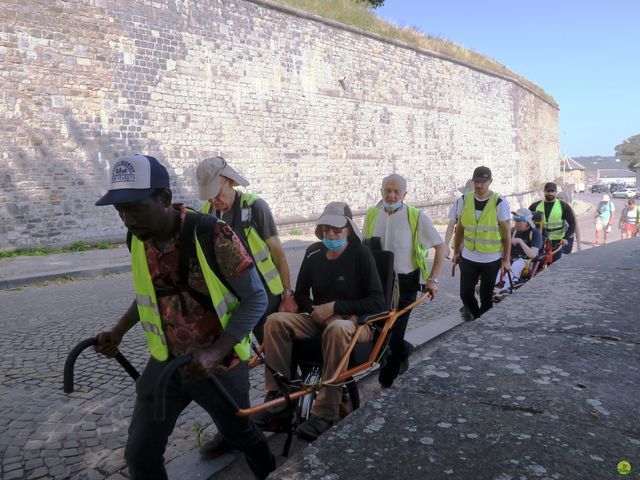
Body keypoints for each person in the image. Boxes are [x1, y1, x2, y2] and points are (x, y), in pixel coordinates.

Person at [93, 154, 275, 480]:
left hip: (219, 365)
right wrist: (118, 330)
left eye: (134, 208)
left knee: (241, 435)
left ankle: (276, 473)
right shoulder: (138, 238)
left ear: (163, 198)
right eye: (120, 211)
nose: (127, 219)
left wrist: (215, 352)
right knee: (140, 455)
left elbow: (256, 298)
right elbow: (153, 291)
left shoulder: (212, 234)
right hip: (167, 363)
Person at [258, 202, 385, 441]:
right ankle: (278, 399)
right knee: (275, 321)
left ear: (348, 229)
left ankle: (324, 413)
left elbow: (378, 301)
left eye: (337, 229)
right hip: (319, 318)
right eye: (326, 229)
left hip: (357, 323)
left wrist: (337, 308)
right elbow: (302, 294)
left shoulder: (361, 254)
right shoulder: (314, 253)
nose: (331, 234)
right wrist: (314, 310)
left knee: (337, 328)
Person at [196, 156, 297, 344]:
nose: (213, 199)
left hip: (266, 294)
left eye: (217, 193)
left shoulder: (256, 207)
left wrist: (288, 295)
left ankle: (287, 374)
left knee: (276, 347)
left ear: (231, 181)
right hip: (234, 295)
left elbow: (278, 255)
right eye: (208, 195)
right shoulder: (207, 211)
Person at [363, 173, 444, 388]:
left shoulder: (416, 217)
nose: (391, 195)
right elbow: (363, 249)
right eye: (387, 190)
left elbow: (440, 246)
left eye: (396, 191)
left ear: (405, 194)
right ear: (380, 191)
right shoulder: (371, 215)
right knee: (378, 332)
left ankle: (386, 383)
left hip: (405, 284)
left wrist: (433, 279)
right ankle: (404, 350)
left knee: (392, 335)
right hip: (378, 284)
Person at [452, 166, 511, 321]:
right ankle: (479, 319)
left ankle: (483, 326)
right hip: (469, 256)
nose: (479, 185)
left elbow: (506, 233)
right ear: (472, 182)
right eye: (476, 181)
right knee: (465, 294)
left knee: (486, 298)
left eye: (483, 182)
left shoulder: (499, 202)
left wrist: (506, 259)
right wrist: (456, 252)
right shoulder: (464, 200)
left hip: (490, 260)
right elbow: (460, 229)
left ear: (490, 182)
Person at [528, 182, 577, 262]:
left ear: (556, 192)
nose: (550, 193)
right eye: (548, 191)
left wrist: (565, 238)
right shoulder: (535, 206)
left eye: (552, 191)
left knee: (555, 267)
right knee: (538, 267)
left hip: (557, 243)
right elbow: (527, 222)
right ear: (544, 191)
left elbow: (572, 224)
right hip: (539, 242)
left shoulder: (563, 206)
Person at [495, 208, 542, 289]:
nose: (516, 223)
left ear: (528, 222)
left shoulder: (535, 233)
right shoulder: (513, 231)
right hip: (511, 258)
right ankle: (493, 287)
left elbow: (533, 255)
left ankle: (505, 289)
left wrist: (520, 241)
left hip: (526, 261)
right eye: (515, 220)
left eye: (519, 220)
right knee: (499, 268)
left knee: (515, 266)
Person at [444, 179, 474, 259]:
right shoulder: (459, 202)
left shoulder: (489, 203)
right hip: (463, 248)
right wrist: (446, 245)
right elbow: (451, 225)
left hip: (482, 250)